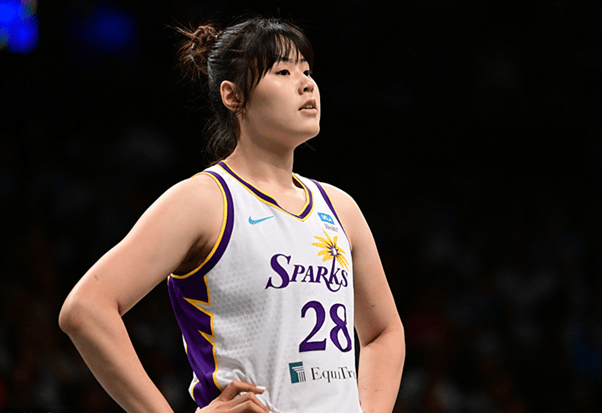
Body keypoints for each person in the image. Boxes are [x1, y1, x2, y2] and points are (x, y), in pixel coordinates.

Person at [59, 16, 405, 413]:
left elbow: (383, 332)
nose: (306, 84)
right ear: (233, 95)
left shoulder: (340, 209)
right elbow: (86, 309)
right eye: (283, 72)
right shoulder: (204, 202)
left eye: (307, 72)